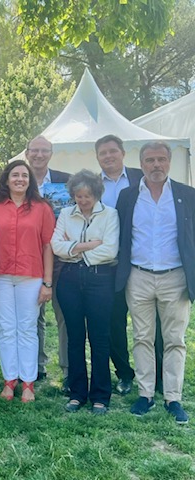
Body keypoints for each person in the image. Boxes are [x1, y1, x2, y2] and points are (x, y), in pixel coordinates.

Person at [115, 141, 195, 425]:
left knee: (175, 340)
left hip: (175, 277)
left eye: (161, 159)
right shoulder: (128, 197)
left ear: (170, 162)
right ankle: (145, 395)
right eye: (150, 160)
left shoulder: (188, 195)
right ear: (142, 163)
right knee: (142, 337)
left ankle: (173, 398)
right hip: (138, 277)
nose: (156, 165)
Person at [0, 160, 54, 402]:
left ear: (30, 180)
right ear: (6, 179)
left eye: (24, 175)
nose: (20, 179)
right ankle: (10, 380)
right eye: (15, 175)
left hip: (31, 277)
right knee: (6, 329)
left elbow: (48, 245)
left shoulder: (42, 208)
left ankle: (29, 383)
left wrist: (48, 283)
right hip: (0, 277)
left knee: (27, 329)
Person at [94, 134, 162, 397]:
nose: (108, 156)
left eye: (113, 151)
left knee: (151, 324)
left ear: (123, 152)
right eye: (103, 153)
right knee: (113, 324)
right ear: (98, 157)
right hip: (108, 265)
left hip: (141, 263)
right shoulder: (92, 183)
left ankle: (157, 376)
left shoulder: (141, 177)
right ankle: (124, 374)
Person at [51, 170, 119, 415]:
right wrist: (87, 245)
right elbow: (55, 245)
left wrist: (75, 251)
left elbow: (110, 249)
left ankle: (100, 395)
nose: (82, 200)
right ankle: (77, 393)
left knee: (99, 338)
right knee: (74, 337)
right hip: (69, 280)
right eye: (78, 196)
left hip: (100, 280)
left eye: (87, 195)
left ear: (96, 193)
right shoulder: (67, 214)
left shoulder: (110, 215)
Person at [25, 135, 70, 389]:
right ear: (27, 153)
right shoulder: (18, 180)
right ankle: (36, 367)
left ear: (51, 153)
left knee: (65, 317)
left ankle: (67, 370)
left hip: (63, 258)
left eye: (44, 151)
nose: (39, 155)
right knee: (33, 316)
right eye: (35, 151)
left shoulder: (67, 180)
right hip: (31, 258)